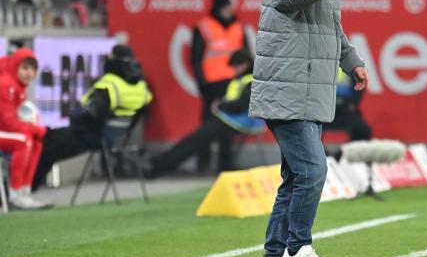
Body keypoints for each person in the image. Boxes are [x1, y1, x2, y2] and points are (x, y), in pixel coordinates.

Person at [250, 0, 372, 257]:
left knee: (295, 177)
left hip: (308, 91)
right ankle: (298, 248)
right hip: (288, 92)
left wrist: (352, 61)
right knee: (314, 170)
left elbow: (331, 29)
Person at [32, 45, 153, 190]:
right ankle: (26, 192)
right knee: (51, 143)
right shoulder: (141, 87)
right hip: (116, 138)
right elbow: (138, 116)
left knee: (44, 144)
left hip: (92, 136)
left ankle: (25, 191)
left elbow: (89, 115)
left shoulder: (109, 84)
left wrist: (74, 116)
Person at [145, 50, 263, 177]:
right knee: (197, 138)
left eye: (236, 66)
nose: (234, 70)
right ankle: (160, 163)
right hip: (231, 120)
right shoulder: (242, 79)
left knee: (196, 139)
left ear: (245, 64)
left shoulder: (251, 81)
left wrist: (220, 105)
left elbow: (242, 105)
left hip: (242, 122)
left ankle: (159, 165)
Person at [190, 0, 247, 172]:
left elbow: (245, 55)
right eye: (226, 8)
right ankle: (203, 162)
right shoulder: (204, 27)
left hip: (232, 82)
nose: (229, 11)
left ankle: (226, 164)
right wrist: (201, 83)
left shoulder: (238, 27)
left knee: (228, 124)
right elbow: (196, 58)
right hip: (212, 83)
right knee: (207, 123)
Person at [0, 48, 49, 209]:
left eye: (33, 69)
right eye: (25, 68)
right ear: (16, 67)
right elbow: (7, 121)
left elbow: (19, 117)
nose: (29, 73)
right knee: (24, 141)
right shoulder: (6, 85)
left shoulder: (18, 86)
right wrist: (35, 130)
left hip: (5, 131)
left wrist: (33, 129)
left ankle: (24, 192)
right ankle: (15, 194)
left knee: (36, 143)